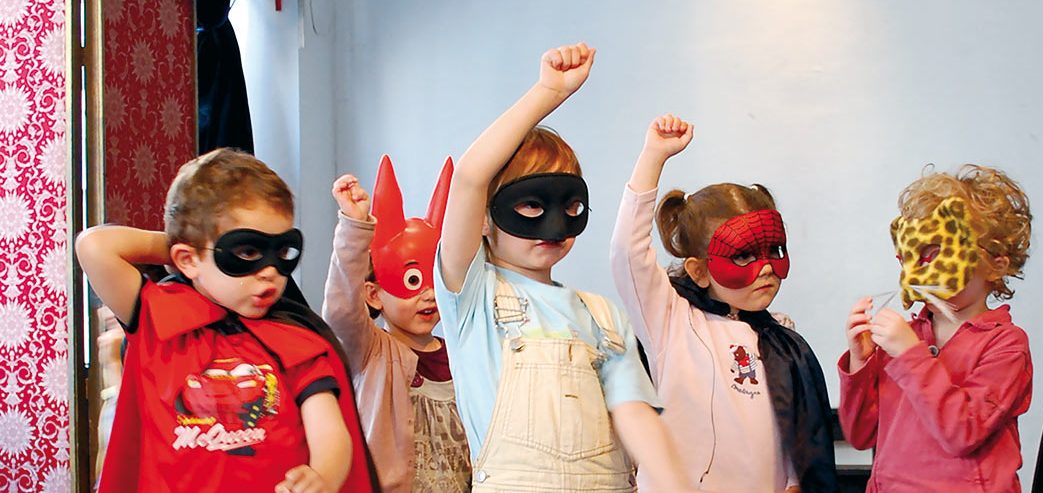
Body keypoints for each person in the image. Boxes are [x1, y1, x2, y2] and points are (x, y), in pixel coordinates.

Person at [435, 43, 698, 492]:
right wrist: (547, 92)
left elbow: (634, 413)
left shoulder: (602, 316)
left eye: (570, 205)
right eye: (531, 206)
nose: (553, 225)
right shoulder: (472, 296)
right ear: (485, 216)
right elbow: (469, 177)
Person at [76, 148, 377, 493]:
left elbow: (329, 431)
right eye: (247, 251)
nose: (269, 272)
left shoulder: (298, 342)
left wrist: (323, 476)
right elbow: (94, 247)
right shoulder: (158, 316)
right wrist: (194, 248)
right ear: (186, 259)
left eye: (281, 252)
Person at [609, 114, 837, 492]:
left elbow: (794, 427)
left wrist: (793, 481)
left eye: (774, 251)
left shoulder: (782, 339)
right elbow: (626, 253)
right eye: (745, 255)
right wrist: (654, 156)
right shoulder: (669, 320)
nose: (765, 267)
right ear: (699, 271)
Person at [839, 164, 1033, 491]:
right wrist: (860, 362)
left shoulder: (1006, 344)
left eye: (935, 253)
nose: (918, 269)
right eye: (908, 257)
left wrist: (910, 356)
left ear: (996, 265)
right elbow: (860, 434)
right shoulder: (907, 336)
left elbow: (963, 432)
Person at [323, 155, 471, 493]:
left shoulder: (461, 355)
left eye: (435, 280)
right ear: (373, 295)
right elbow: (341, 309)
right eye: (412, 281)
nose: (428, 295)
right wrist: (354, 226)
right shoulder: (371, 351)